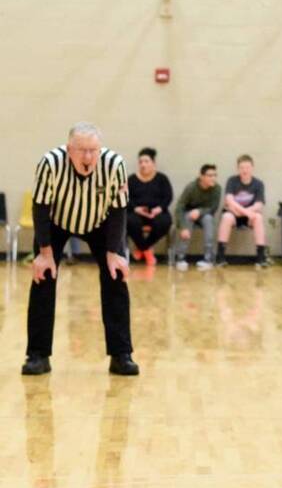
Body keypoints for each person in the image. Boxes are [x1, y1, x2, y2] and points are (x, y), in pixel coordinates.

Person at [22, 122, 138, 376]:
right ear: (68, 149)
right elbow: (40, 208)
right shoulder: (50, 163)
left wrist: (114, 252)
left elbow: (119, 210)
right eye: (81, 150)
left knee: (115, 276)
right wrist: (44, 253)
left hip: (100, 222)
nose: (87, 156)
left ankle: (121, 354)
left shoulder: (115, 165)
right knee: (43, 278)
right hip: (56, 222)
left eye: (93, 150)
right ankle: (38, 355)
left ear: (100, 149)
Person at [215, 155, 270, 268]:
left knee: (258, 218)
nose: (245, 170)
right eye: (242, 167)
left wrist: (247, 212)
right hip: (234, 214)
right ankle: (220, 257)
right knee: (226, 217)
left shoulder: (258, 183)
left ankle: (261, 257)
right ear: (238, 168)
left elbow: (259, 204)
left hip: (248, 215)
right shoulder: (232, 181)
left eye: (247, 167)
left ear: (252, 168)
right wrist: (244, 211)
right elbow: (229, 200)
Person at [127, 147, 174, 266]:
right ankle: (147, 251)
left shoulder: (162, 178)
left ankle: (142, 248)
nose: (143, 164)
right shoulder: (131, 179)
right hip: (136, 212)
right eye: (141, 162)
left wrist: (159, 208)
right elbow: (125, 198)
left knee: (164, 222)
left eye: (146, 161)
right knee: (130, 221)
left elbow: (168, 197)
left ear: (153, 163)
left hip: (157, 212)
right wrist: (135, 208)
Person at [173, 164, 222, 271]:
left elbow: (213, 208)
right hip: (188, 215)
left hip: (204, 215)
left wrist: (199, 211)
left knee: (209, 219)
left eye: (215, 175)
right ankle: (180, 259)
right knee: (187, 219)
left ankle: (208, 259)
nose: (213, 178)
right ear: (201, 176)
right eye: (210, 175)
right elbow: (180, 207)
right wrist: (182, 227)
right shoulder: (191, 187)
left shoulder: (217, 189)